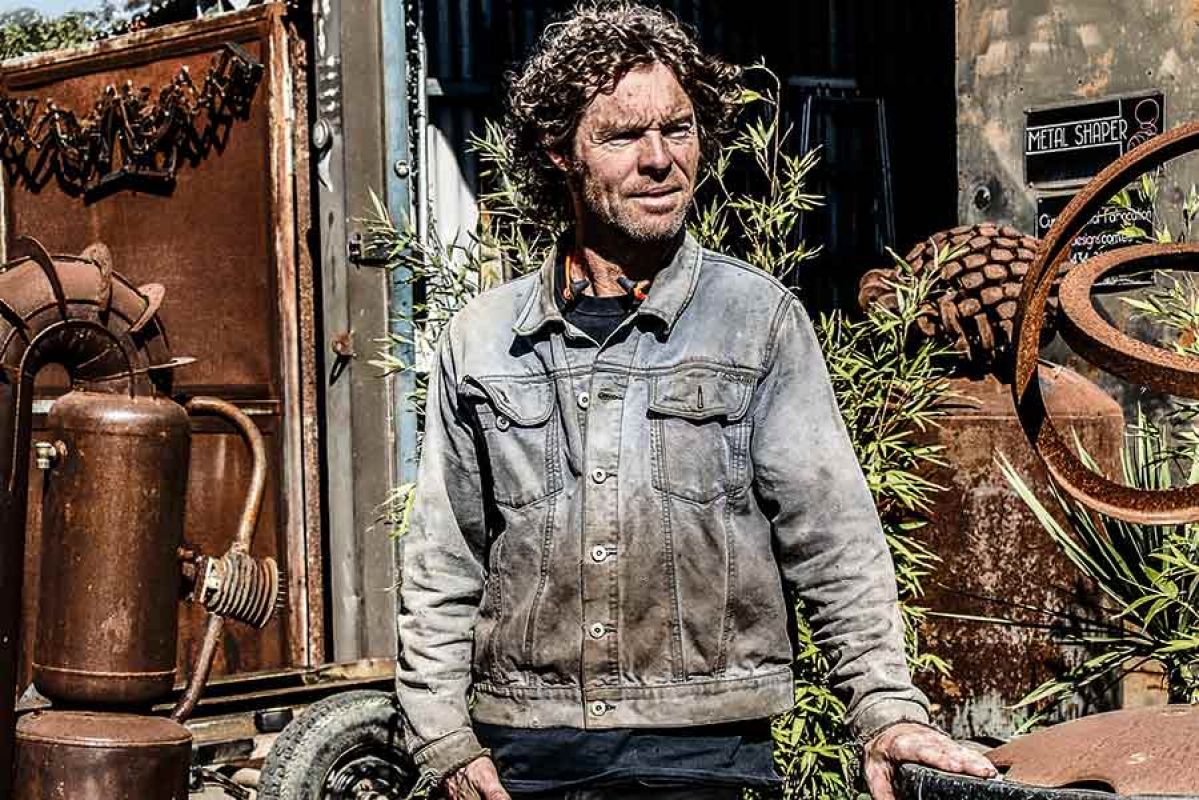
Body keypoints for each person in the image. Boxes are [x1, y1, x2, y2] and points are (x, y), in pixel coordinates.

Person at [395, 3, 997, 799]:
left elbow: (832, 536)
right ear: (558, 152)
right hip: (524, 754)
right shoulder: (483, 340)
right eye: (622, 136)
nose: (659, 160)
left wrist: (886, 710)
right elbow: (444, 557)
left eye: (676, 130)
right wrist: (441, 737)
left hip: (706, 755)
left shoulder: (755, 322)